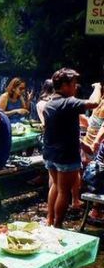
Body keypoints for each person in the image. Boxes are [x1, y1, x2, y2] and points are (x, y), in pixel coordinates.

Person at [42, 68, 98, 228]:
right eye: (73, 84)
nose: (75, 87)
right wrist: (98, 88)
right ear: (65, 85)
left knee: (55, 186)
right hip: (66, 155)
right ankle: (58, 225)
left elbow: (61, 129)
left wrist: (81, 142)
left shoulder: (50, 103)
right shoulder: (68, 102)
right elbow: (93, 103)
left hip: (50, 153)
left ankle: (50, 219)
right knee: (64, 191)